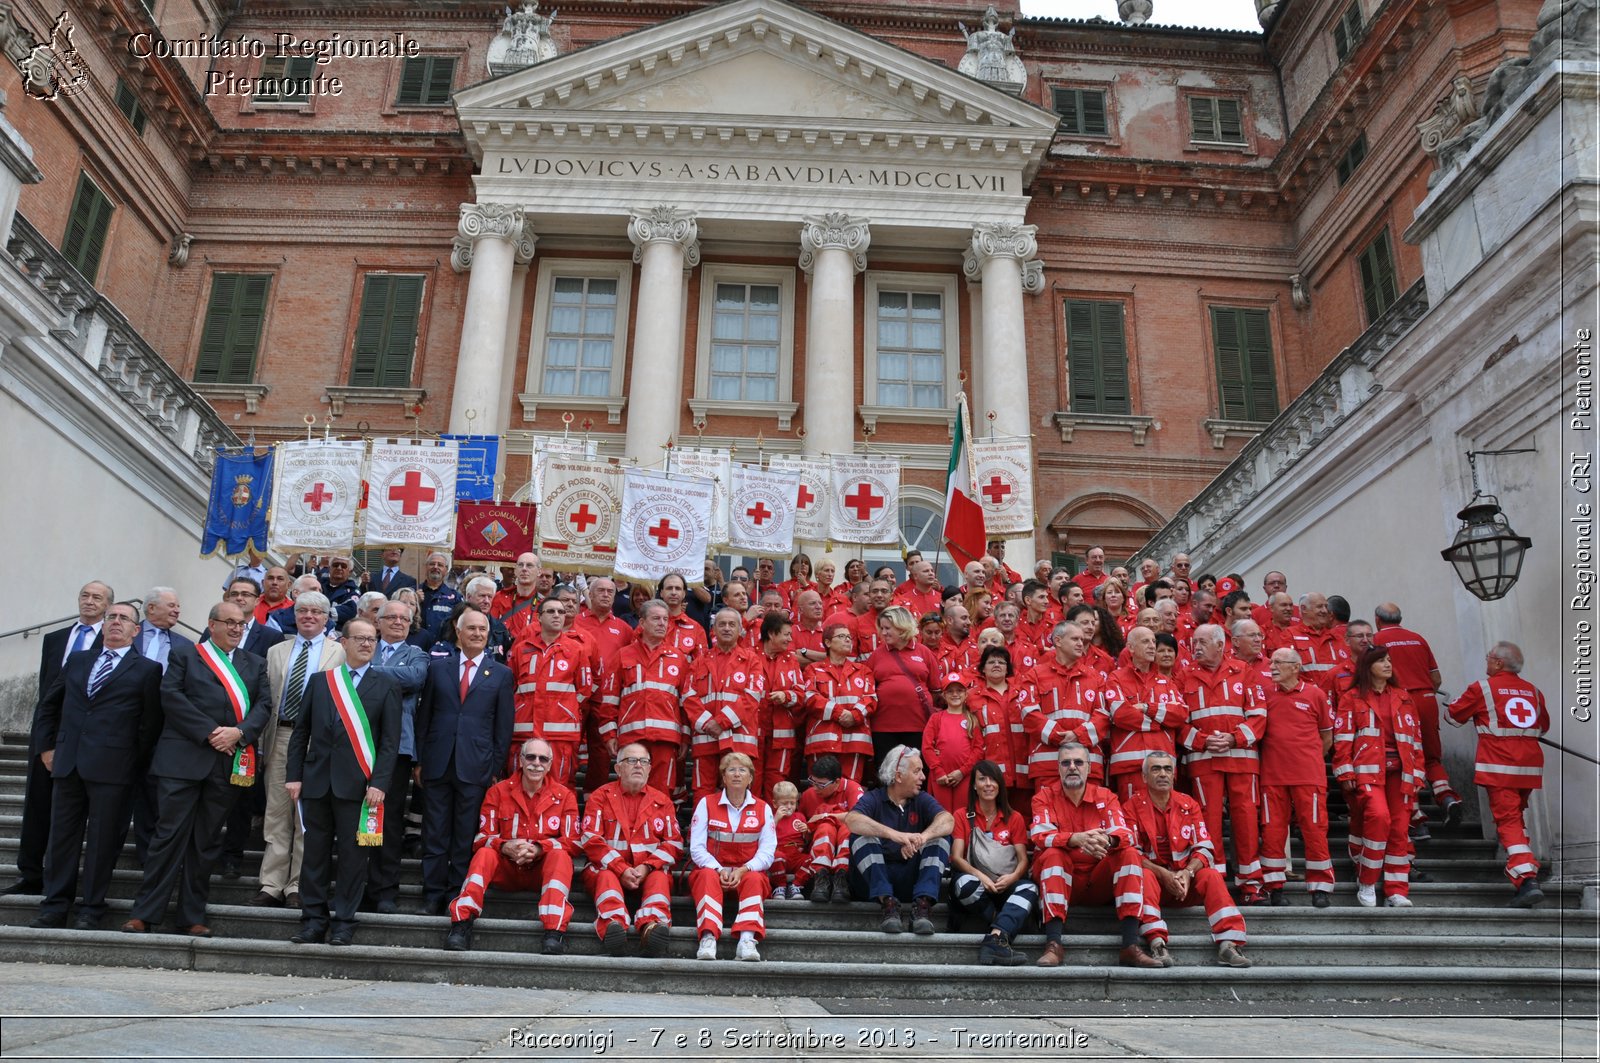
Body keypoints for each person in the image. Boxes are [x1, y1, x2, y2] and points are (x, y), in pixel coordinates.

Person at [122, 600, 272, 936]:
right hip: (183, 760)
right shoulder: (187, 655)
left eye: (241, 624)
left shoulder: (255, 663)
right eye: (229, 622)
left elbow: (264, 705)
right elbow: (171, 696)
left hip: (226, 763)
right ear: (211, 623)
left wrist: (240, 732)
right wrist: (209, 732)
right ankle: (145, 913)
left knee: (205, 842)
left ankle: (191, 916)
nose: (236, 628)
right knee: (167, 837)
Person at [31, 602, 162, 930]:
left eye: (124, 619)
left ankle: (91, 908)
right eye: (111, 617)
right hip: (68, 763)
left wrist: (132, 762)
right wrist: (47, 748)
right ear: (103, 625)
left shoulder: (147, 669)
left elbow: (149, 725)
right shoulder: (78, 660)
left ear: (136, 630)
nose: (116, 622)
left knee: (103, 843)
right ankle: (54, 906)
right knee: (61, 839)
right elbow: (49, 705)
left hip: (114, 769)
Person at [284, 618, 401, 946]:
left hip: (360, 788)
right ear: (344, 642)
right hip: (317, 782)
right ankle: (313, 920)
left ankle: (345, 921)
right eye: (360, 639)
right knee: (314, 855)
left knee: (353, 858)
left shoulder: (386, 684)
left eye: (372, 639)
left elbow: (390, 741)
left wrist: (380, 782)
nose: (367, 644)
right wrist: (294, 776)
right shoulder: (321, 682)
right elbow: (301, 732)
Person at [8, 581, 111, 898]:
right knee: (37, 805)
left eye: (97, 597)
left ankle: (63, 877)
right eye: (85, 595)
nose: (89, 601)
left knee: (72, 812)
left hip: (89, 736)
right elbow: (46, 694)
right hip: (52, 734)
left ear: (108, 605)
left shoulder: (112, 640)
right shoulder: (55, 639)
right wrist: (44, 742)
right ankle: (30, 873)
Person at [415, 607, 516, 912]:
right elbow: (425, 716)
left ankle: (455, 892)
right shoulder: (438, 669)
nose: (476, 633)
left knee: (464, 834)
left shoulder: (501, 674)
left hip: (476, 767)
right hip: (437, 762)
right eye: (470, 628)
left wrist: (495, 767)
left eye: (482, 629)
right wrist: (419, 760)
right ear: (457, 633)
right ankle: (432, 893)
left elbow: (503, 727)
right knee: (434, 832)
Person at [1029, 742, 1163, 968]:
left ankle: (1130, 945)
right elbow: (1040, 836)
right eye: (1066, 763)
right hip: (1062, 879)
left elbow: (1125, 833)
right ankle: (1053, 944)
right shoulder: (1043, 797)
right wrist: (1076, 839)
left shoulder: (1106, 796)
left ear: (1089, 768)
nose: (1072, 767)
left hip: (1097, 879)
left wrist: (1108, 840)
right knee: (1052, 854)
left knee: (1129, 853)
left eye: (1079, 762)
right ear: (1058, 768)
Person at [444, 737, 579, 953]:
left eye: (543, 759)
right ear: (520, 760)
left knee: (561, 856)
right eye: (531, 757)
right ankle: (461, 924)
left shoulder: (565, 797)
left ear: (550, 764)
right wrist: (504, 846)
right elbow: (481, 838)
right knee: (484, 854)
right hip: (506, 870)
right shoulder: (497, 792)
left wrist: (539, 848)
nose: (536, 763)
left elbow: (574, 842)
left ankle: (554, 932)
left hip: (539, 872)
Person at [253, 592, 345, 910]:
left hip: (319, 743)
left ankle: (298, 885)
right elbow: (267, 700)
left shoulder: (340, 652)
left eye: (316, 612)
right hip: (281, 736)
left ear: (326, 618)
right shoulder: (276, 651)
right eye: (302, 610)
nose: (308, 616)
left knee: (309, 815)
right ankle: (272, 883)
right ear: (294, 615)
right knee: (277, 813)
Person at [1447, 641, 1551, 907]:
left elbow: (1453, 716)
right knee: (1515, 817)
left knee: (1508, 821)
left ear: (1498, 663)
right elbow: (1543, 726)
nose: (1486, 662)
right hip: (1528, 768)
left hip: (1500, 765)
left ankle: (1526, 878)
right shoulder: (1534, 692)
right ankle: (1524, 866)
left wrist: (1453, 705)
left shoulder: (1482, 688)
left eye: (1489, 658)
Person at [1125, 751, 1252, 968]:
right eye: (1156, 769)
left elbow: (1204, 847)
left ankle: (1228, 944)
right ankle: (1156, 943)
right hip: (1155, 884)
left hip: (1185, 884)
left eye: (1167, 769)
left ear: (1174, 775)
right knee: (1142, 873)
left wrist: (1187, 872)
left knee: (1211, 874)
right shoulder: (1131, 807)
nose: (1162, 774)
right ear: (1144, 777)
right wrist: (1164, 875)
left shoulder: (1188, 804)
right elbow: (1130, 853)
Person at [1181, 623, 1266, 903]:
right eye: (1194, 641)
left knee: (1246, 821)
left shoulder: (1244, 671)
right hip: (1204, 760)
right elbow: (1178, 723)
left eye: (1203, 641)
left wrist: (1234, 739)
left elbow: (1259, 716)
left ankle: (1251, 885)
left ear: (1220, 644)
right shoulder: (1185, 677)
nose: (1197, 646)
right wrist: (1203, 741)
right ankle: (1214, 883)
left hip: (1241, 760)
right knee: (1207, 822)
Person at [1334, 646, 1424, 908]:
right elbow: (1342, 740)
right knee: (1378, 817)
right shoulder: (1352, 697)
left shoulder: (1404, 697)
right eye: (1381, 660)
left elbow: (1415, 739)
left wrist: (1418, 773)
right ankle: (1368, 881)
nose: (1388, 664)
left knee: (1398, 829)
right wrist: (1345, 770)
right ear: (1368, 666)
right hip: (1368, 771)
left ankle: (1397, 890)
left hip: (1402, 773)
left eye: (1389, 660)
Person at [579, 742, 683, 956]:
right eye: (631, 761)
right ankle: (613, 926)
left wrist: (647, 867)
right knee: (605, 874)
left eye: (644, 761)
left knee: (660, 877)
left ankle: (651, 927)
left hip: (646, 872)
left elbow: (674, 843)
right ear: (618, 769)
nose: (638, 766)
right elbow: (590, 839)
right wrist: (621, 868)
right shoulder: (600, 796)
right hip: (609, 871)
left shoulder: (662, 801)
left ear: (649, 768)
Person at [364, 598, 430, 913]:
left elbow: (414, 679)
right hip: (358, 743)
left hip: (398, 750)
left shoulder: (416, 654)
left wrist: (365, 673)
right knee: (355, 818)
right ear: (378, 621)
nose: (398, 623)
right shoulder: (365, 645)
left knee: (389, 822)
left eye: (404, 619)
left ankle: (385, 890)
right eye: (391, 617)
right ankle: (357, 885)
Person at [845, 744, 953, 934]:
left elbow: (948, 820)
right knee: (861, 836)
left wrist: (922, 838)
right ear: (898, 776)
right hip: (874, 883)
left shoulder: (921, 799)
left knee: (941, 838)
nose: (923, 777)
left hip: (910, 880)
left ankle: (922, 906)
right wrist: (897, 836)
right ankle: (888, 904)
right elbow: (852, 820)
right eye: (917, 771)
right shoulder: (874, 798)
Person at [1374, 602, 1463, 831]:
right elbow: (1437, 679)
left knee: (1405, 757)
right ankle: (1446, 795)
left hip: (1400, 702)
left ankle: (1415, 813)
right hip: (1426, 699)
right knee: (1432, 757)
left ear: (1377, 619)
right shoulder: (1418, 638)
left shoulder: (1377, 641)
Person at [1258, 648, 1336, 906]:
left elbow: (1327, 736)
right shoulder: (1265, 694)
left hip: (1308, 776)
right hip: (1272, 776)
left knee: (1314, 830)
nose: (1273, 666)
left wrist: (1309, 758)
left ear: (1295, 667)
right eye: (1272, 662)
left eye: (1279, 662)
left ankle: (1320, 887)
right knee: (1272, 832)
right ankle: (1274, 886)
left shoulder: (1315, 694)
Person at [689, 752, 776, 961]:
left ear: (750, 778)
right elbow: (696, 847)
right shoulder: (706, 804)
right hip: (713, 870)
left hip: (745, 872)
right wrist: (719, 869)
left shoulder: (763, 808)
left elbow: (768, 851)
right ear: (724, 777)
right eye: (731, 770)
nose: (737, 774)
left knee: (756, 878)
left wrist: (744, 869)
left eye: (742, 770)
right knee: (706, 876)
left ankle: (747, 940)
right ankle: (708, 937)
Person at [599, 600, 692, 795]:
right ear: (642, 623)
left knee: (662, 792)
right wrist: (609, 734)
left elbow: (685, 703)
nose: (662, 623)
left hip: (666, 739)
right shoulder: (623, 656)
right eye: (656, 618)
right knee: (629, 790)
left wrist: (684, 737)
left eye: (665, 619)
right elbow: (609, 700)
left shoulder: (679, 658)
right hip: (632, 737)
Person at [949, 759, 1034, 966]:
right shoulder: (962, 815)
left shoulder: (1014, 818)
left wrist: (1013, 877)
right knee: (962, 885)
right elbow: (956, 857)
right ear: (974, 786)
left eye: (993, 779)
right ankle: (1004, 919)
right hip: (978, 883)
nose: (988, 784)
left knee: (1030, 888)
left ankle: (996, 936)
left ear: (1000, 785)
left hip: (1006, 884)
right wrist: (981, 876)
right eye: (982, 779)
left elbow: (1023, 860)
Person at [509, 598, 596, 787]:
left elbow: (585, 690)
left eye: (561, 612)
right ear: (539, 617)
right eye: (551, 611)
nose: (557, 615)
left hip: (560, 734)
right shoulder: (521, 650)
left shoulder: (576, 650)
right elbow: (511, 687)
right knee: (519, 784)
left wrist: (565, 708)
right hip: (525, 729)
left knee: (560, 786)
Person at [686, 608, 767, 803]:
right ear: (713, 629)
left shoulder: (752, 660)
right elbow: (689, 697)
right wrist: (709, 724)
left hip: (738, 740)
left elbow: (752, 697)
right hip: (706, 739)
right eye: (722, 624)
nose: (727, 628)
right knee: (702, 792)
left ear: (740, 630)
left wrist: (720, 723)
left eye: (732, 624)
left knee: (739, 792)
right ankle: (702, 833)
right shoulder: (699, 661)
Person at [1017, 620, 1113, 784]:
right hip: (1048, 766)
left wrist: (1077, 735)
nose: (1080, 644)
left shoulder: (1095, 677)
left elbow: (1104, 715)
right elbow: (1029, 713)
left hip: (1088, 766)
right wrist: (1060, 736)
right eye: (1075, 639)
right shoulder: (1035, 675)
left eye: (1082, 640)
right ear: (1058, 641)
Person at [1108, 626, 1189, 802]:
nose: (1152, 646)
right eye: (1146, 641)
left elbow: (1181, 714)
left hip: (1163, 765)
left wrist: (1147, 708)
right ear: (1131, 648)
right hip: (1130, 766)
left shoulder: (1166, 682)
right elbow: (1121, 715)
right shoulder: (1116, 678)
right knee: (1131, 820)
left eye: (1153, 641)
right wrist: (1160, 723)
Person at [802, 623, 876, 783]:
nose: (848, 640)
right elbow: (810, 697)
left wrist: (854, 715)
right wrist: (840, 713)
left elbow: (871, 698)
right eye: (841, 636)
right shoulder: (813, 669)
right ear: (828, 643)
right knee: (821, 789)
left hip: (855, 741)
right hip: (822, 740)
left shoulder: (863, 670)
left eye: (849, 637)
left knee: (851, 789)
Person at [867, 605, 935, 768]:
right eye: (881, 628)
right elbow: (868, 688)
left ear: (901, 626)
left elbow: (935, 688)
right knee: (886, 773)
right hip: (883, 727)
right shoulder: (877, 655)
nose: (883, 633)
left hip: (918, 724)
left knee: (916, 772)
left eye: (888, 628)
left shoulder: (923, 652)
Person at [796, 754, 864, 903]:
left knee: (846, 828)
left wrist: (824, 815)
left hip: (844, 847)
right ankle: (821, 878)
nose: (815, 788)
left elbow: (860, 817)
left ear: (837, 782)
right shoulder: (808, 796)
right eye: (812, 782)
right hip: (818, 850)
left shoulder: (852, 788)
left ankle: (842, 878)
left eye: (821, 785)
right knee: (825, 828)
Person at [969, 645, 1030, 809]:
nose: (996, 665)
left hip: (1024, 768)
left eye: (1001, 662)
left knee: (1025, 815)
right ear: (983, 668)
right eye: (991, 662)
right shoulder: (972, 697)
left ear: (1007, 668)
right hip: (992, 770)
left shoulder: (1022, 693)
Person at [757, 611, 805, 802]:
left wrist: (785, 696)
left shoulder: (791, 660)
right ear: (771, 634)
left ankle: (774, 825)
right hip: (755, 730)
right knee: (752, 778)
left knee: (777, 781)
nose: (790, 639)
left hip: (782, 732)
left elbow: (801, 693)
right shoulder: (749, 656)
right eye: (786, 634)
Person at [922, 672, 985, 812]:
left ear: (966, 694)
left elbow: (978, 749)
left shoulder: (971, 720)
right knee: (940, 813)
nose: (955, 694)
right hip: (940, 777)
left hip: (964, 776)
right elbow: (927, 747)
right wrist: (938, 772)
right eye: (950, 691)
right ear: (944, 695)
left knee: (962, 813)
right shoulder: (936, 718)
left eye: (959, 690)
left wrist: (962, 772)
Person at [768, 781, 809, 899]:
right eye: (785, 803)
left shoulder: (800, 816)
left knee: (813, 859)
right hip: (780, 853)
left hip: (796, 854)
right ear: (775, 804)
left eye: (793, 802)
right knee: (776, 856)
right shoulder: (770, 816)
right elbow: (765, 837)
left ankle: (796, 885)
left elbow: (807, 840)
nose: (789, 806)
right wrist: (775, 820)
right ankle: (780, 886)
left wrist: (806, 831)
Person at [136, 588, 191, 672]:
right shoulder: (128, 632)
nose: (177, 611)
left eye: (178, 607)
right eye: (171, 605)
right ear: (151, 608)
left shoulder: (186, 646)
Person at [658, 572, 707, 662]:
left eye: (678, 588)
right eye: (669, 588)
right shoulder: (648, 624)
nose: (673, 592)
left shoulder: (696, 629)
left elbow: (701, 664)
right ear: (661, 593)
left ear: (684, 593)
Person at [418, 552, 461, 637]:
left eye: (440, 565)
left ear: (446, 570)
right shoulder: (413, 592)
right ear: (425, 567)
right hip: (418, 646)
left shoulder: (455, 597)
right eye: (432, 564)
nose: (435, 567)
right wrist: (414, 602)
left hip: (443, 646)